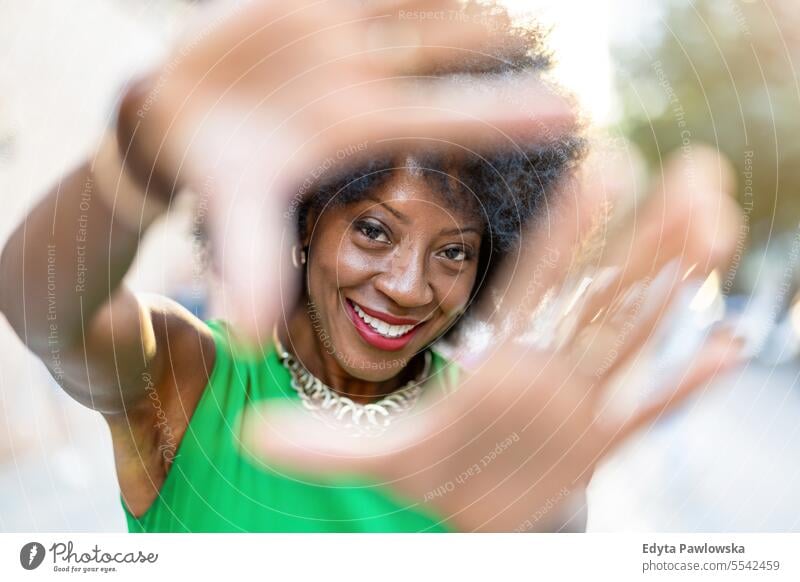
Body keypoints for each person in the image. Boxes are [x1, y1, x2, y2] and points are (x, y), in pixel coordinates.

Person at [0, 0, 743, 532]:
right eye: (374, 231)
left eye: (454, 251)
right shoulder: (186, 378)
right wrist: (143, 149)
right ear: (302, 218)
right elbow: (42, 307)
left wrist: (549, 521)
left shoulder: (493, 419)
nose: (408, 285)